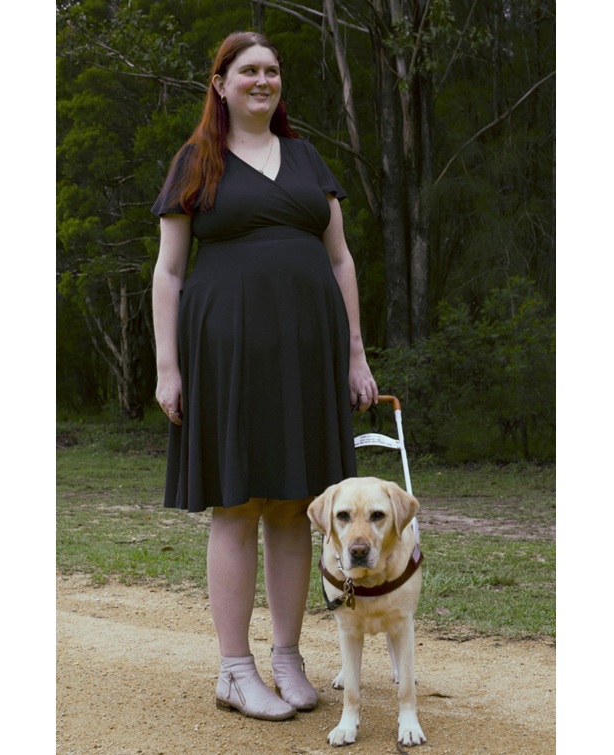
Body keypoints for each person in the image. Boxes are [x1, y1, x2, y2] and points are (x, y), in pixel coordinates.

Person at [150, 31, 378, 722]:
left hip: (307, 355)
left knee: (291, 504)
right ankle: (233, 668)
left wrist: (356, 353)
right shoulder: (197, 160)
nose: (262, 80)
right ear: (218, 83)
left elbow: (339, 259)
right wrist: (167, 366)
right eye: (247, 70)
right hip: (226, 351)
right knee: (237, 502)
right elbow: (168, 269)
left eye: (272, 70)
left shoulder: (307, 158)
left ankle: (285, 656)